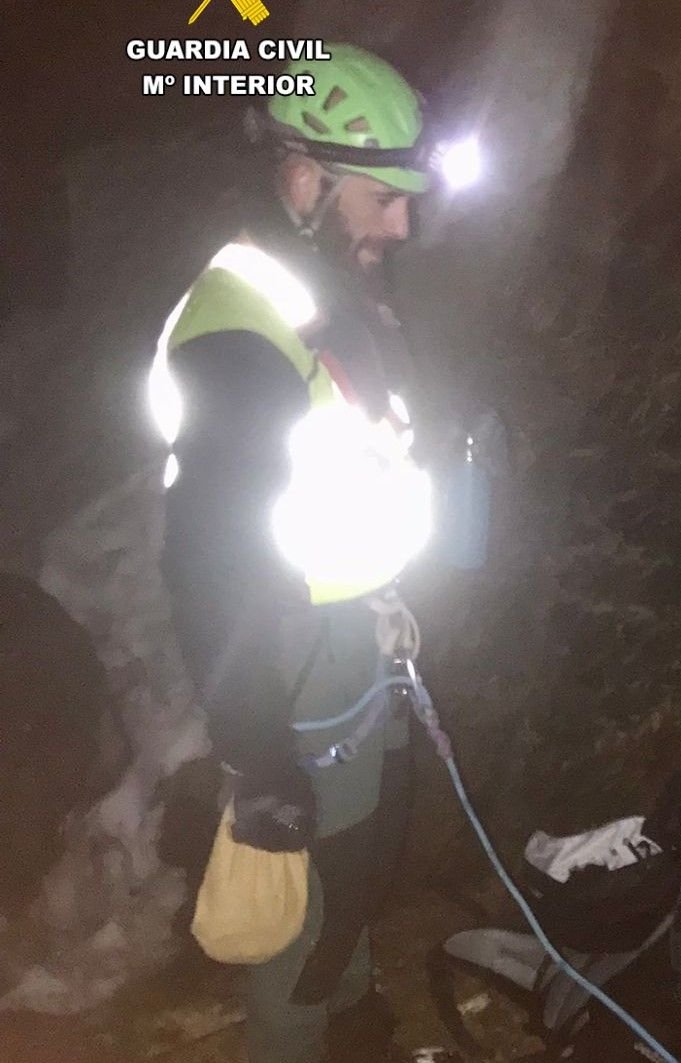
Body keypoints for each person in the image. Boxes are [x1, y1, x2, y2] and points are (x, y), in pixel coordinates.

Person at [153, 44, 450, 1063]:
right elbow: (206, 556)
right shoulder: (238, 334)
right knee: (305, 913)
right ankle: (299, 1037)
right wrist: (256, 749)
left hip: (355, 627)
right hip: (296, 648)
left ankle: (354, 1019)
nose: (402, 224)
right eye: (382, 198)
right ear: (302, 180)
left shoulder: (313, 283)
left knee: (359, 855)